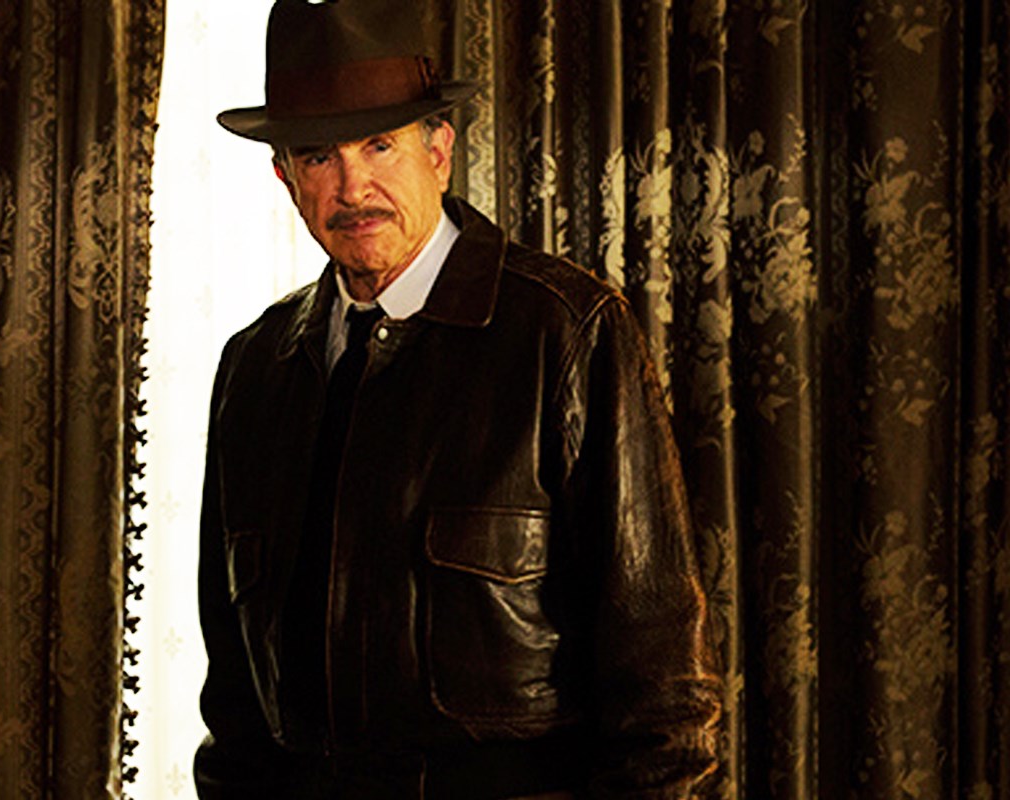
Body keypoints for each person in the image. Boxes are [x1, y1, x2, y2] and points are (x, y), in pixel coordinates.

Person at [195, 1, 722, 798]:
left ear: (439, 151)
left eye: (380, 144)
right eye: (319, 156)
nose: (353, 187)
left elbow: (665, 700)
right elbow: (236, 709)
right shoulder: (255, 369)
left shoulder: (565, 333)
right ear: (286, 178)